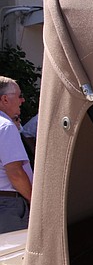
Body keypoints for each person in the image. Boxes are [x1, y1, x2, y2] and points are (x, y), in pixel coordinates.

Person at [0, 77, 33, 233]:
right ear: (5, 99)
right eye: (19, 96)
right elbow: (15, 173)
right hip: (7, 206)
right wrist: (35, 201)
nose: (22, 100)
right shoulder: (5, 127)